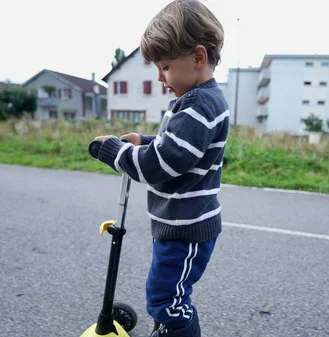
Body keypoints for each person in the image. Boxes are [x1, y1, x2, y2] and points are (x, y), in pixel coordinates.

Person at [91, 1, 228, 336]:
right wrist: (145, 140)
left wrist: (114, 152)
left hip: (186, 228)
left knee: (166, 298)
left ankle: (177, 331)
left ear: (198, 58)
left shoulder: (198, 105)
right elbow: (178, 147)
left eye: (165, 66)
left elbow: (160, 165)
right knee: (164, 292)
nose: (160, 76)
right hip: (180, 224)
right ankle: (168, 327)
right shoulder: (198, 100)